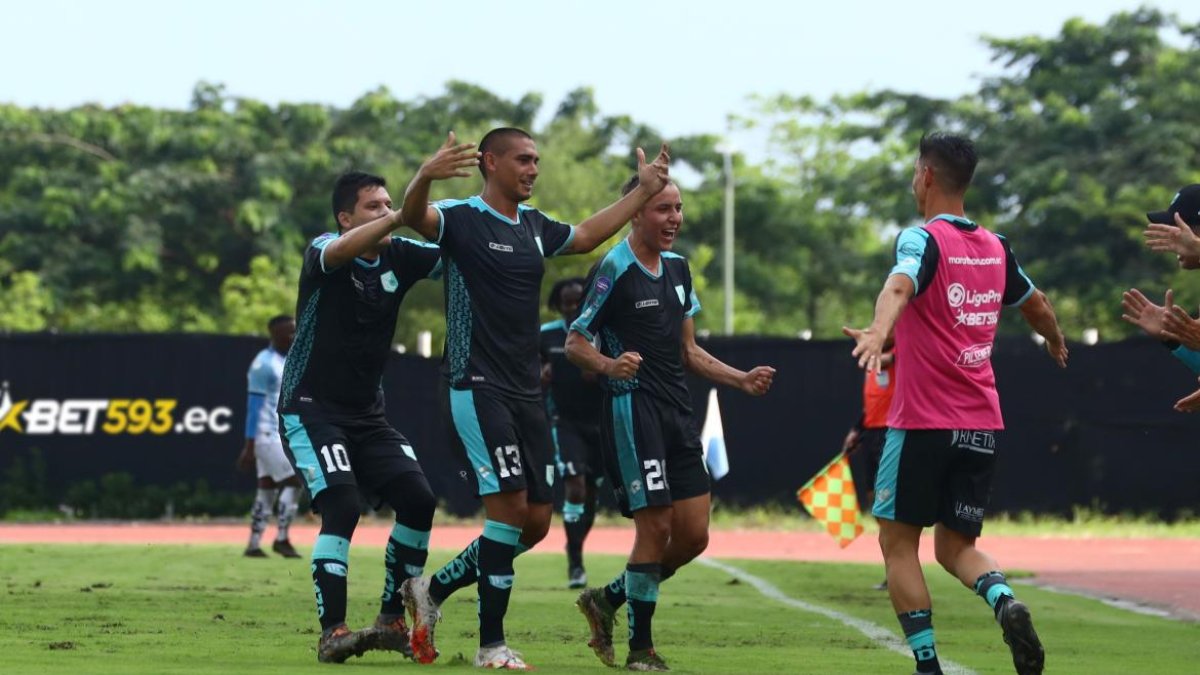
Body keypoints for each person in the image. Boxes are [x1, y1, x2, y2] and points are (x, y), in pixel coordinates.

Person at [397, 128, 671, 670]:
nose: (533, 168)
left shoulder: (534, 226)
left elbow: (589, 235)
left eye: (537, 160)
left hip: (526, 392)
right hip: (475, 386)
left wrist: (642, 193)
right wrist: (425, 176)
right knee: (507, 515)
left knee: (538, 523)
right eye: (523, 159)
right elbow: (414, 218)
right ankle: (491, 645)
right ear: (490, 162)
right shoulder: (460, 217)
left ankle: (428, 590)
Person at [843, 133, 1067, 675]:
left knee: (898, 544)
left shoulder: (922, 240)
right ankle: (1003, 600)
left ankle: (926, 666)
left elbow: (899, 287)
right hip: (982, 425)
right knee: (956, 547)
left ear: (926, 176)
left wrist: (876, 332)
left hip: (920, 422)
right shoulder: (996, 247)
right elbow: (1035, 304)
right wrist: (1056, 339)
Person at [566, 176, 775, 671]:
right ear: (636, 212)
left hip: (677, 414)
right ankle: (642, 649)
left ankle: (609, 599)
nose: (674, 219)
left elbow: (688, 350)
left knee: (694, 536)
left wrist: (739, 379)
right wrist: (609, 366)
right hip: (632, 412)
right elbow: (576, 342)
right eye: (662, 209)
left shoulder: (680, 270)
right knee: (656, 525)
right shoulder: (613, 266)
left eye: (678, 209)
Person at [277, 171, 443, 663]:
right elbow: (339, 250)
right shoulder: (325, 251)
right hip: (310, 409)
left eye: (390, 203)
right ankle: (332, 633)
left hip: (368, 414)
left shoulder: (400, 255)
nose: (386, 211)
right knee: (343, 505)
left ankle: (392, 618)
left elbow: (462, 256)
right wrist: (408, 207)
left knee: (418, 499)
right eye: (374, 206)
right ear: (345, 218)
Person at [540, 277, 604, 589]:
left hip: (601, 422)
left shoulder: (602, 331)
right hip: (564, 422)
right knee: (575, 488)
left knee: (591, 493)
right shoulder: (547, 335)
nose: (572, 308)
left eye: (577, 301)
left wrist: (602, 370)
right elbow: (529, 369)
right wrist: (540, 375)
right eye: (566, 303)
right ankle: (575, 563)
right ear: (558, 304)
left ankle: (575, 544)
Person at [237, 314, 303, 559]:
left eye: (294, 332)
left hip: (279, 433)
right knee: (296, 480)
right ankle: (282, 538)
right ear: (274, 334)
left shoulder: (292, 359)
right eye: (288, 332)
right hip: (267, 434)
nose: (293, 336)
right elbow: (253, 407)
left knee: (266, 488)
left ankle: (253, 544)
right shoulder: (263, 364)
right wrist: (249, 445)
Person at [840, 338, 895, 590]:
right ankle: (893, 566)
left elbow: (891, 359)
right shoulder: (872, 364)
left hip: (892, 433)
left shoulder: (899, 351)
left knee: (887, 507)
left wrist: (870, 351)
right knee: (876, 506)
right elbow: (873, 405)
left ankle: (897, 569)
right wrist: (857, 430)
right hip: (872, 433)